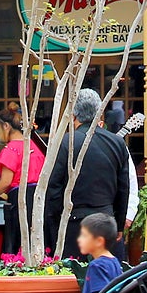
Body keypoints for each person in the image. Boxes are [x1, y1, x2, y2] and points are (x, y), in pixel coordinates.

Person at [42, 89, 133, 259]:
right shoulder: (117, 143)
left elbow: (54, 187)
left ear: (74, 114)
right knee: (108, 279)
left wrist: (55, 222)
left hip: (74, 222)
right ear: (100, 112)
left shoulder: (66, 143)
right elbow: (123, 189)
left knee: (73, 279)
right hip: (107, 221)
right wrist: (119, 225)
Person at [0, 115, 45, 257]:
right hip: (39, 200)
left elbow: (5, 182)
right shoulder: (35, 146)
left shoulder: (11, 149)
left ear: (6, 126)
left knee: (17, 246)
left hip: (20, 200)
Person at [78, 212, 124, 293]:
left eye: (84, 235)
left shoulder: (96, 266)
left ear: (99, 241)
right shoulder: (114, 262)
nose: (79, 239)